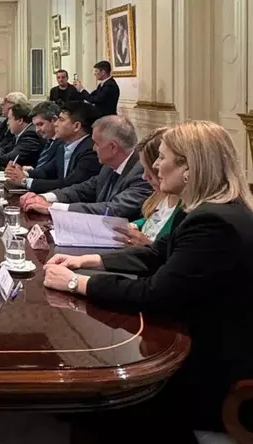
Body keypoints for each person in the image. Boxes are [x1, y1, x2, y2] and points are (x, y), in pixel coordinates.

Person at [43, 120, 253, 442]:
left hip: (210, 373)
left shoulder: (214, 223)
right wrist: (88, 260)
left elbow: (155, 294)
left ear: (189, 168)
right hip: (197, 343)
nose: (154, 166)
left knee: (99, 406)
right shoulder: (202, 208)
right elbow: (156, 253)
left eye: (162, 158)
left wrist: (75, 283)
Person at [20, 115, 151, 219]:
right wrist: (45, 197)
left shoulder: (142, 172)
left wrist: (52, 208)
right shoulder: (109, 166)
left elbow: (113, 209)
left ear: (113, 147)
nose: (93, 148)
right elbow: (84, 189)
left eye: (97, 144)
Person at [6, 101, 101, 194]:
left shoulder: (91, 151)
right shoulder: (63, 146)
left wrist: (25, 181)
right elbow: (46, 172)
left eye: (61, 120)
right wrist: (21, 173)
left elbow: (70, 184)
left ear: (76, 126)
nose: (55, 124)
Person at [112, 127, 181, 246]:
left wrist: (147, 245)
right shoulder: (161, 197)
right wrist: (135, 225)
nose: (144, 176)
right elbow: (153, 221)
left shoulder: (186, 211)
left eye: (149, 170)